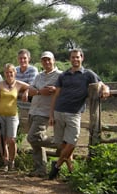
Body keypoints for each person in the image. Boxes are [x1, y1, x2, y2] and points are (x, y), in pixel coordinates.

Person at [48, 48, 110, 180]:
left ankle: (57, 165)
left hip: (74, 113)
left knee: (73, 141)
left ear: (82, 58)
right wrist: (51, 114)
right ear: (70, 59)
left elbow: (101, 82)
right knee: (62, 144)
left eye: (77, 57)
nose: (75, 59)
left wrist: (106, 88)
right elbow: (55, 95)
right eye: (73, 57)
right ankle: (72, 171)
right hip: (59, 111)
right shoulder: (63, 75)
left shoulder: (88, 74)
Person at [26, 51, 62, 177]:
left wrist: (56, 90)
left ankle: (61, 143)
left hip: (45, 112)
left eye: (49, 60)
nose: (46, 62)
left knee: (33, 137)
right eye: (44, 60)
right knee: (35, 142)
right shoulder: (39, 76)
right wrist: (40, 92)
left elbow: (62, 90)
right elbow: (30, 91)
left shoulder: (60, 76)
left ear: (54, 60)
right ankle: (40, 169)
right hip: (33, 110)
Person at [0, 63, 30, 172]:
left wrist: (26, 92)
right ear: (4, 73)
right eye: (7, 72)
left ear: (15, 73)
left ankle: (12, 161)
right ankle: (5, 162)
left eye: (11, 72)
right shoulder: (0, 85)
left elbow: (30, 87)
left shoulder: (18, 84)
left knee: (11, 139)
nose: (9, 74)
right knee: (2, 139)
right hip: (1, 115)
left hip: (13, 115)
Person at [15, 49, 38, 133]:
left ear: (29, 59)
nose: (22, 60)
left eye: (24, 58)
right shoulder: (15, 70)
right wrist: (25, 88)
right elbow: (11, 86)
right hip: (17, 106)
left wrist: (20, 87)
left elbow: (32, 87)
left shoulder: (33, 70)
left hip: (30, 106)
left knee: (29, 131)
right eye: (20, 58)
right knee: (18, 131)